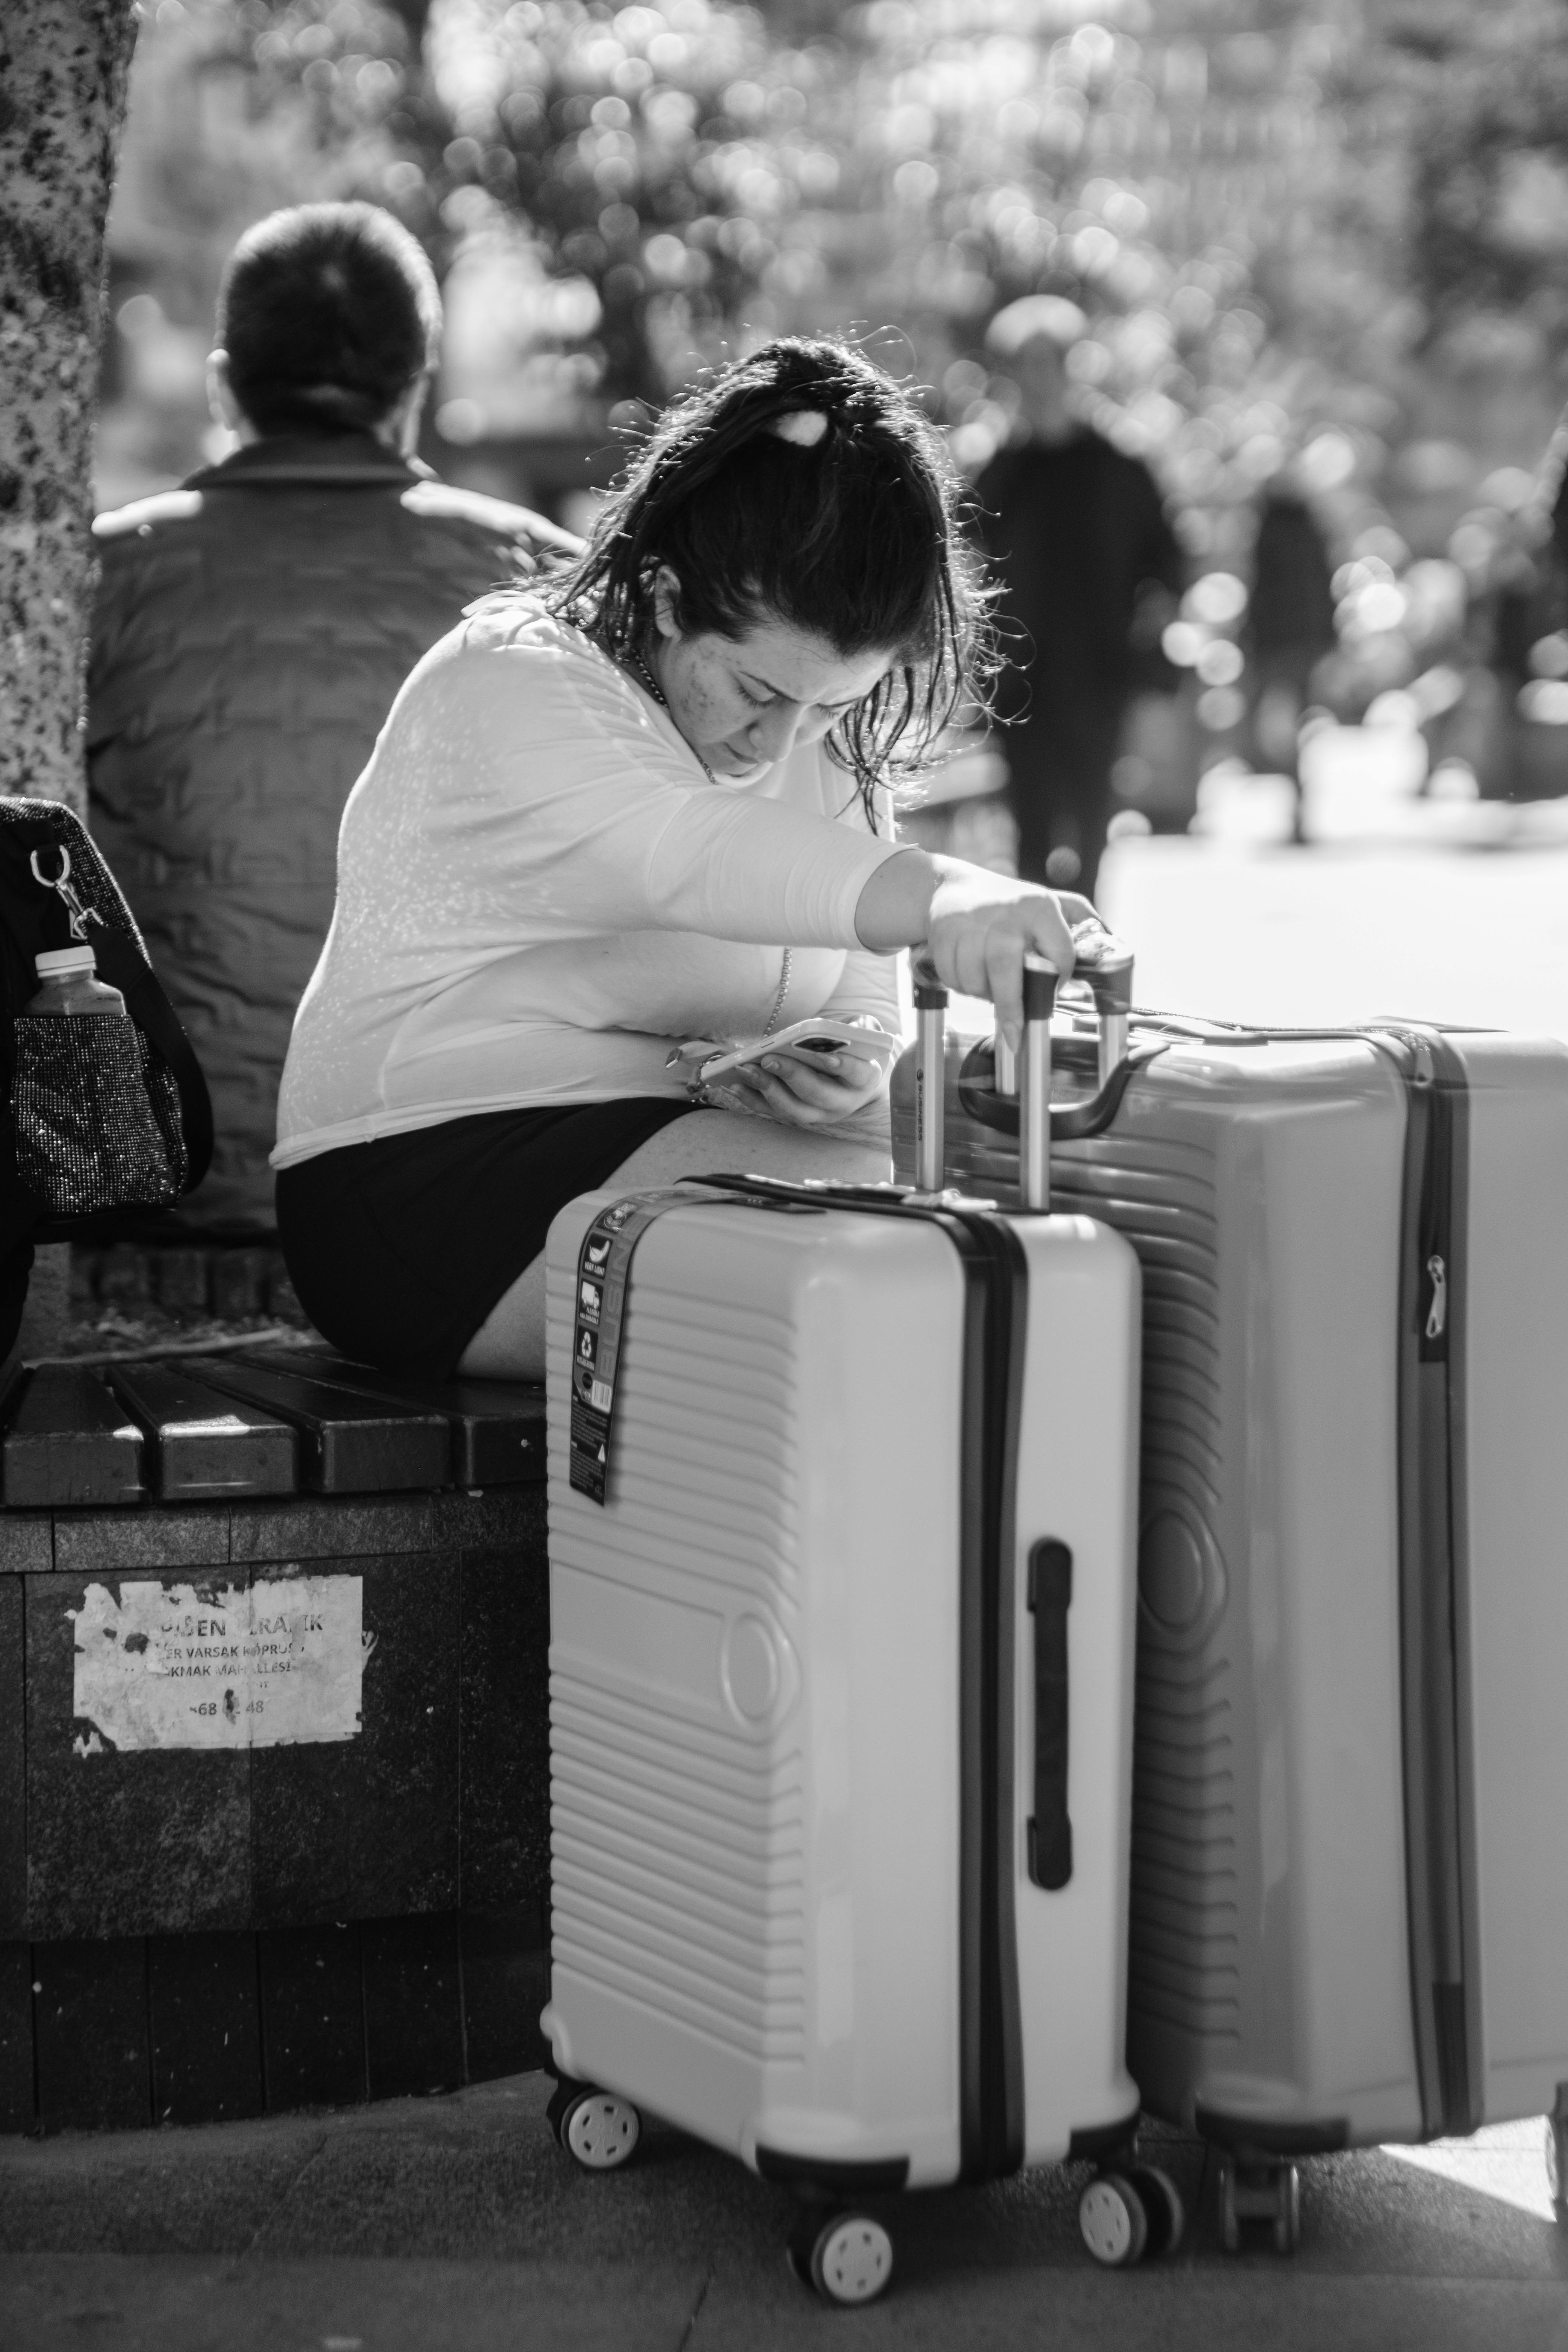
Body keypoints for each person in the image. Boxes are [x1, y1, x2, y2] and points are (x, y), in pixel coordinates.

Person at [272, 337, 1096, 1380]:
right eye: (759, 693)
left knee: (1026, 1202)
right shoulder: (509, 681)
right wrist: (950, 895)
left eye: (833, 704)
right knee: (932, 1254)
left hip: (667, 1138)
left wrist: (847, 1066)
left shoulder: (818, 731)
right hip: (419, 1181)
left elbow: (863, 998)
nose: (784, 742)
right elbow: (689, 854)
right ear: (663, 594)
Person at [88, 201, 575, 1234]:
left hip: (159, 1185)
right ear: (414, 394)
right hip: (432, 1192)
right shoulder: (540, 583)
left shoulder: (97, 578)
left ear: (225, 386)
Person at [976, 295, 1183, 898]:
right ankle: (1040, 960)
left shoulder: (1118, 464)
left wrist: (1156, 614)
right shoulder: (1001, 471)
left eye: (1048, 364)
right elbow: (966, 555)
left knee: (1093, 813)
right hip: (1022, 679)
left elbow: (1167, 557)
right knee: (1031, 824)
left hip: (1100, 670)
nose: (1037, 380)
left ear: (1070, 368)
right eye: (1025, 366)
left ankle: (1086, 939)